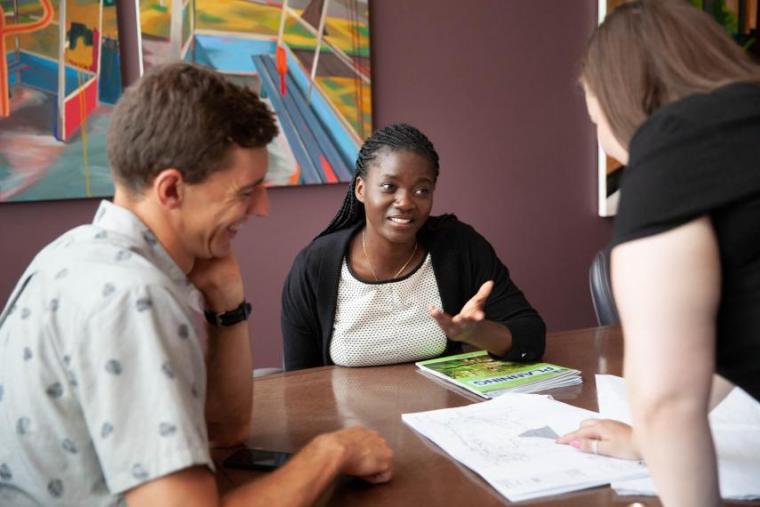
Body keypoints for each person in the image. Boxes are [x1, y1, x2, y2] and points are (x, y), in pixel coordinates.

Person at [0, 62, 392, 507]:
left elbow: (225, 432)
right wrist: (331, 452)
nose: (261, 208)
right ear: (171, 190)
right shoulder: (134, 298)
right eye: (246, 191)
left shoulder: (70, 252)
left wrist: (226, 304)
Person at [556, 1, 760, 505]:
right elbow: (740, 337)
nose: (603, 138)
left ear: (623, 98)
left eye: (594, 119)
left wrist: (654, 424)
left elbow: (669, 402)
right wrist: (644, 439)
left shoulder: (671, 150)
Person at [281, 123, 545, 371]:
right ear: (361, 189)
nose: (406, 202)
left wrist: (478, 333)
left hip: (441, 416)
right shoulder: (315, 267)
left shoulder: (459, 247)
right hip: (353, 420)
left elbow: (531, 337)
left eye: (421, 190)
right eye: (389, 187)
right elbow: (300, 382)